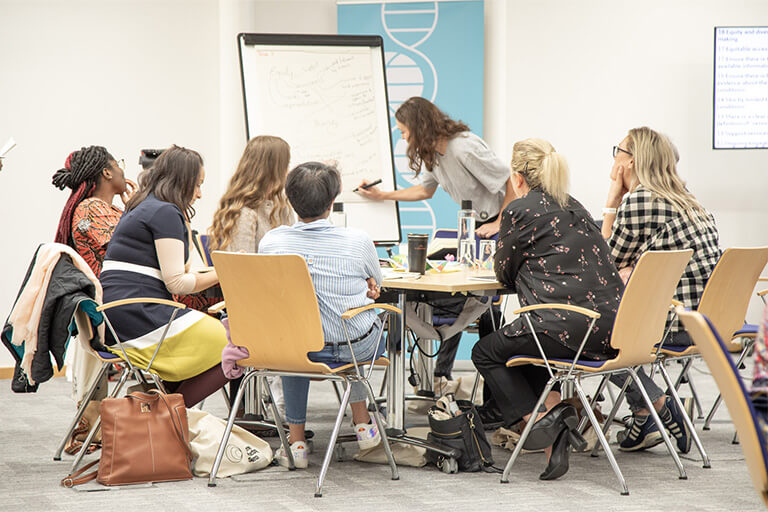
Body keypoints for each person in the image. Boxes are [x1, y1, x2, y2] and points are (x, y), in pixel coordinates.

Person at [471, 138, 624, 480]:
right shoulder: (575, 206)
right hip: (614, 328)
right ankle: (553, 430)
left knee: (486, 351)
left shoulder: (519, 209)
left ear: (517, 178)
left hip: (565, 328)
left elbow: (503, 272)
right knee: (528, 346)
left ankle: (544, 423)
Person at [356, 96, 510, 387]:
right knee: (458, 294)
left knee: (483, 300)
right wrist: (382, 196)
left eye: (404, 131)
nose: (403, 137)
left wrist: (500, 222)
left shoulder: (464, 147)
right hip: (476, 226)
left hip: (499, 223)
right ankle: (440, 377)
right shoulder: (433, 154)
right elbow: (425, 191)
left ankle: (489, 387)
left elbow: (510, 181)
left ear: (419, 126)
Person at [259, 162, 386, 468]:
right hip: (352, 348)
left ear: (289, 199)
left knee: (295, 334)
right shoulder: (358, 240)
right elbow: (378, 285)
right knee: (370, 322)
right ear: (333, 201)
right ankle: (362, 421)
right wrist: (368, 285)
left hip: (297, 351)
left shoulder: (272, 242)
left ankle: (297, 442)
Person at [602, 127, 721, 453]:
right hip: (703, 322)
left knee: (594, 336)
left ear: (631, 161)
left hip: (672, 325)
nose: (614, 159)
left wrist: (612, 201)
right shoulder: (689, 201)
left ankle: (657, 402)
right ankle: (644, 416)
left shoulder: (641, 200)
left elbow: (604, 268)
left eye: (618, 150)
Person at [100, 145, 228, 407]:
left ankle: (159, 414)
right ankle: (166, 416)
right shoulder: (165, 212)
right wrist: (224, 272)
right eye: (197, 184)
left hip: (117, 316)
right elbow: (178, 282)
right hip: (141, 315)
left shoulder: (143, 206)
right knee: (238, 346)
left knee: (226, 343)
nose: (200, 194)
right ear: (182, 181)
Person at [208, 135, 294, 417]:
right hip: (256, 309)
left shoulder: (278, 207)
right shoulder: (244, 214)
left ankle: (287, 413)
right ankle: (284, 413)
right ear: (274, 168)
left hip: (275, 300)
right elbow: (243, 274)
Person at [52, 145, 136, 276]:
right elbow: (132, 246)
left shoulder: (105, 209)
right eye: (118, 165)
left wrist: (132, 209)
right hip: (113, 291)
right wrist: (136, 210)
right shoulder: (92, 209)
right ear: (107, 172)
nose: (122, 171)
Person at [208, 135, 294, 253]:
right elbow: (245, 267)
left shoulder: (282, 203)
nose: (288, 171)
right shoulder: (244, 213)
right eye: (286, 165)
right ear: (272, 170)